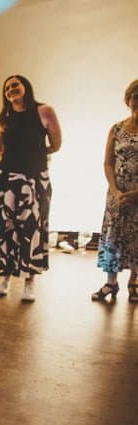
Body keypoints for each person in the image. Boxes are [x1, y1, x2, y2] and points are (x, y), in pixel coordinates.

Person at [0, 75, 62, 302]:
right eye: (7, 88)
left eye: (15, 85)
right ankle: (4, 277)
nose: (11, 89)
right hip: (5, 179)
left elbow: (56, 144)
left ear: (25, 86)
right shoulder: (2, 118)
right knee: (4, 228)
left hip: (34, 178)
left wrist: (34, 156)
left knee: (31, 229)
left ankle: (29, 282)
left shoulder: (44, 111)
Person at [93, 79, 138, 303]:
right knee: (113, 236)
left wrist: (135, 194)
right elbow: (108, 163)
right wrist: (116, 190)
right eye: (135, 96)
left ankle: (134, 282)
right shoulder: (117, 128)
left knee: (136, 238)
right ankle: (110, 283)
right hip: (117, 195)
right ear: (128, 100)